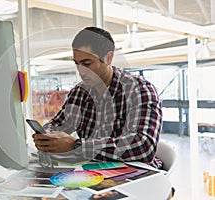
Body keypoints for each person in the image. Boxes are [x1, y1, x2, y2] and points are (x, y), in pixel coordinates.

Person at [32, 27, 163, 168]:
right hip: (94, 172)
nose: (81, 71)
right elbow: (58, 125)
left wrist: (76, 146)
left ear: (108, 58)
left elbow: (144, 147)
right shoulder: (79, 92)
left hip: (136, 176)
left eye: (87, 63)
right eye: (77, 64)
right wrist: (47, 137)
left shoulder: (139, 90)